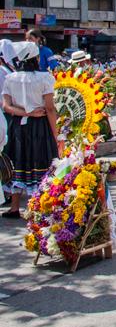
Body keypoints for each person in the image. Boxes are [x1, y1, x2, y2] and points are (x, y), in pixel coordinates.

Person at [2, 41, 59, 218]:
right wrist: (56, 134)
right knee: (40, 162)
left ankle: (14, 207)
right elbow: (49, 108)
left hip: (17, 126)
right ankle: (40, 207)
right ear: (35, 58)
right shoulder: (44, 78)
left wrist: (26, 112)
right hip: (40, 125)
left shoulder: (11, 78)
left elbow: (6, 106)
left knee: (18, 162)